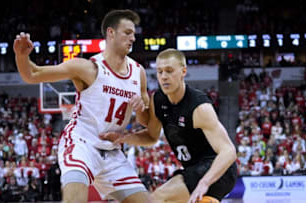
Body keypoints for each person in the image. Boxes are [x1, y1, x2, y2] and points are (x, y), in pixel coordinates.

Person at [14, 9, 151, 203]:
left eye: (134, 34)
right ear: (111, 33)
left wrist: (141, 108)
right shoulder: (87, 68)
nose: (133, 38)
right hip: (82, 144)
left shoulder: (139, 73)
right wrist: (21, 56)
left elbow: (146, 121)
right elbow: (32, 75)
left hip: (112, 153)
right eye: (127, 33)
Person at [100, 48, 237, 203]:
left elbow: (229, 152)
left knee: (158, 198)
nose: (164, 77)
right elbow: (151, 137)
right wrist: (122, 138)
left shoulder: (199, 107)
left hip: (218, 170)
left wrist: (204, 183)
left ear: (183, 72)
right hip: (193, 170)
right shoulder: (158, 100)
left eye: (169, 71)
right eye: (159, 72)